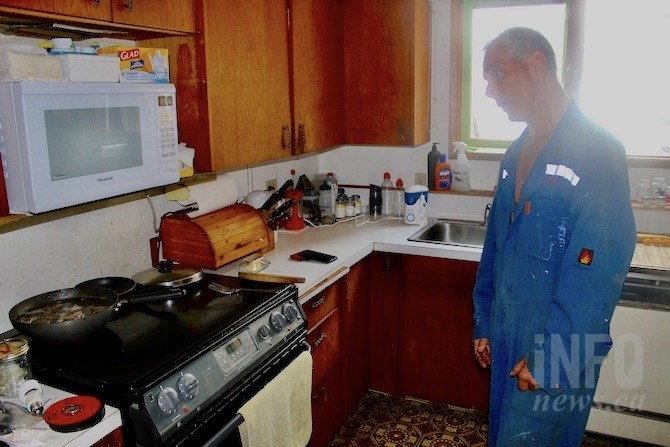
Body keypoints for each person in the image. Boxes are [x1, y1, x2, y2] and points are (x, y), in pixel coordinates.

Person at [471, 27, 636, 446]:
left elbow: (599, 272)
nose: (489, 90)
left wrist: (552, 360)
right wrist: (484, 321)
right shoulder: (515, 154)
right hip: (509, 333)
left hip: (559, 346)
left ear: (537, 65)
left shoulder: (598, 151)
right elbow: (496, 247)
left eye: (496, 74)